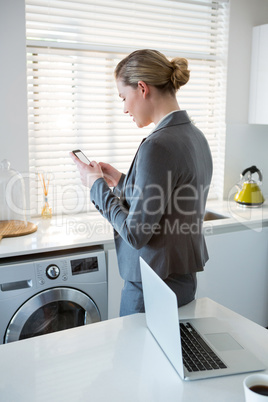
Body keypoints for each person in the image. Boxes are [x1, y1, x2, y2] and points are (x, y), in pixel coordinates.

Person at [70, 49, 213, 317]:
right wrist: (120, 181)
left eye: (124, 97)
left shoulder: (157, 145)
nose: (124, 108)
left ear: (143, 88)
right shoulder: (196, 136)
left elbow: (136, 233)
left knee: (135, 358)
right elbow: (167, 199)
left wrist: (96, 187)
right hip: (181, 280)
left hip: (150, 285)